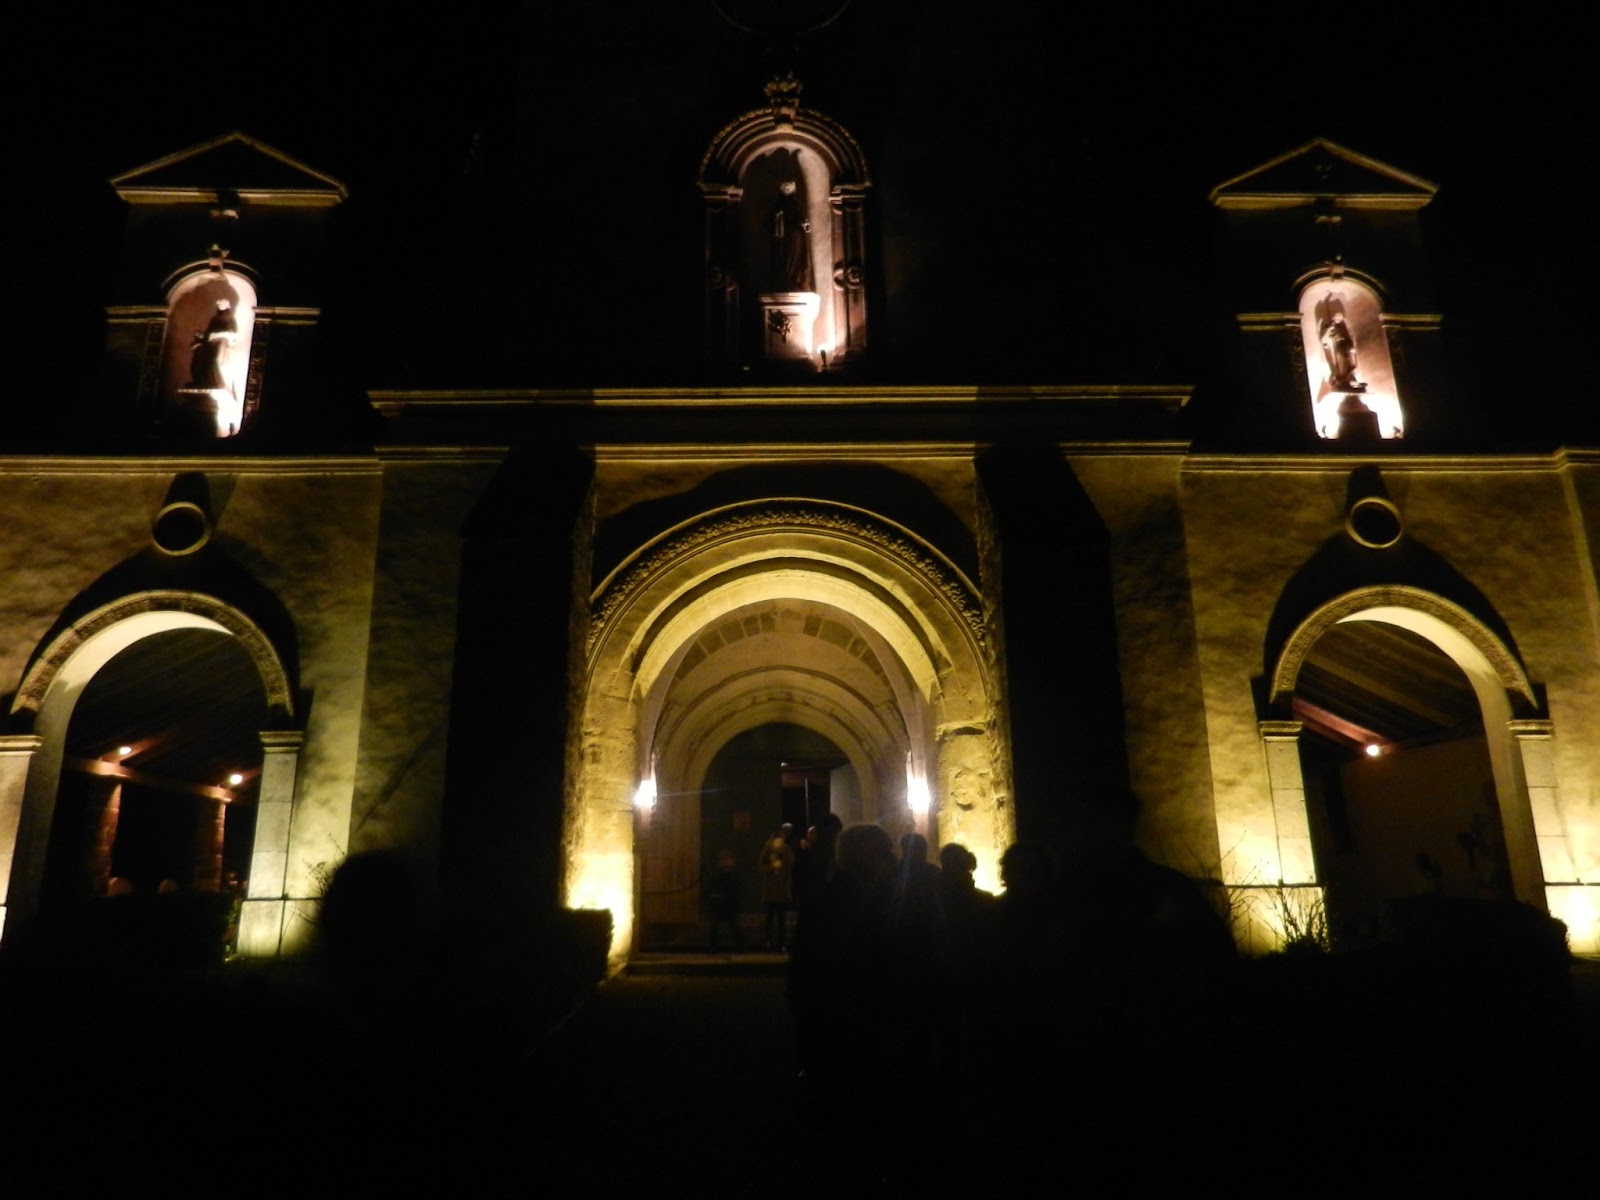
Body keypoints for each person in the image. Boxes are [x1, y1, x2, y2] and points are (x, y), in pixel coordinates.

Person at [768, 180, 813, 292]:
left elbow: (802, 219)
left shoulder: (796, 205)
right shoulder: (777, 206)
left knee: (795, 256)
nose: (787, 190)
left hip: (794, 235)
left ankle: (795, 280)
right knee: (782, 256)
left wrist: (804, 224)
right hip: (781, 237)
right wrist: (777, 217)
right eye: (785, 188)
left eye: (789, 188)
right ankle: (783, 280)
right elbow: (769, 223)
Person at [758, 823, 795, 950]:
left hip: (777, 887)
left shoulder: (782, 849)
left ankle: (775, 942)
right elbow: (762, 866)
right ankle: (774, 942)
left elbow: (790, 865)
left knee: (776, 918)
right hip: (775, 887)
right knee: (774, 918)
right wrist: (772, 867)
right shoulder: (773, 849)